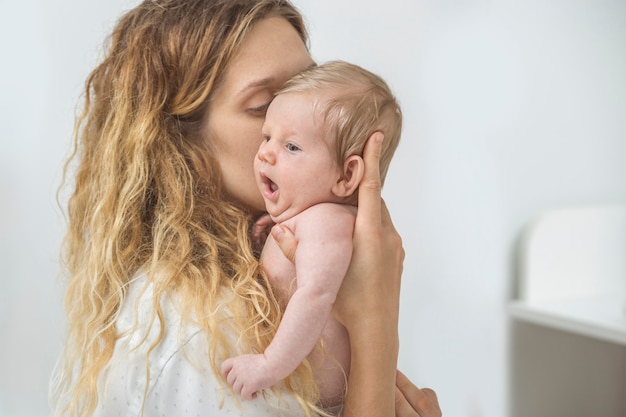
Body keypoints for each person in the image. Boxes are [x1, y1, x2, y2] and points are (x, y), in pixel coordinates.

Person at [51, 1, 442, 417]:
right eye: (264, 104)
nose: (297, 115)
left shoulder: (267, 274)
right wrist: (375, 336)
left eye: (307, 86)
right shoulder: (198, 336)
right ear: (181, 145)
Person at [221, 60, 402, 408]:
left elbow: (315, 295)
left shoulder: (328, 223)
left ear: (347, 176)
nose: (265, 153)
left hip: (324, 402)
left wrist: (268, 364)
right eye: (267, 136)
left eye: (291, 147)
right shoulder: (313, 218)